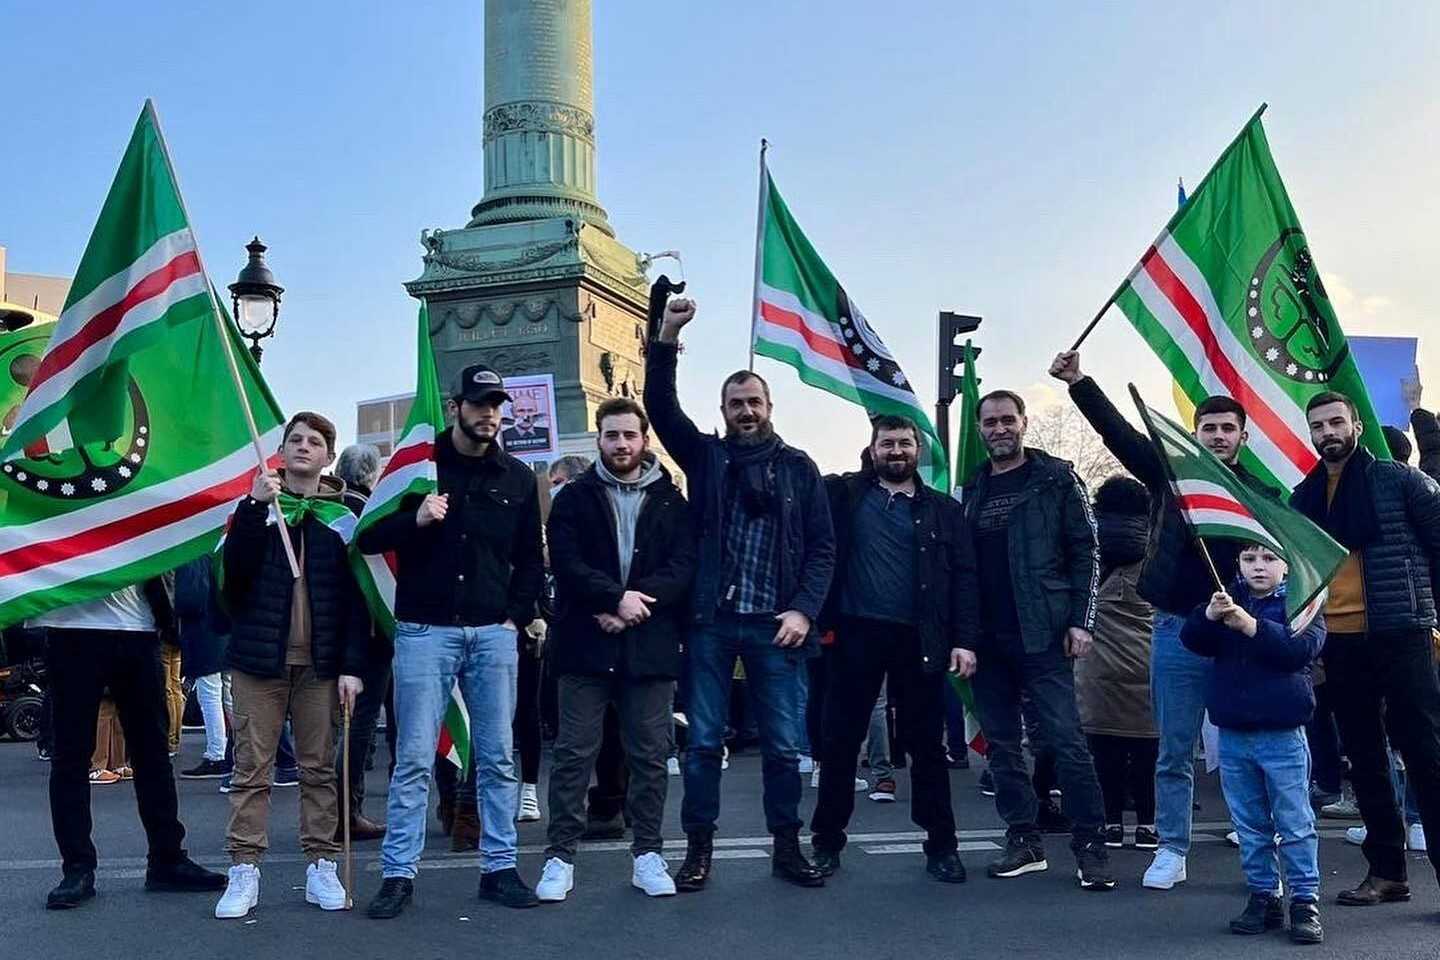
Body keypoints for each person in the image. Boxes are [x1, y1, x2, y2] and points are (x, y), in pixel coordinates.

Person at [1050, 349, 1274, 890]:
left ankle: (1260, 843)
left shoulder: (1262, 495)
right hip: (1177, 627)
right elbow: (1120, 436)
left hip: (1242, 634)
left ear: (1243, 436)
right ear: (1196, 434)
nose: (1218, 436)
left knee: (1254, 745)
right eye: (1209, 428)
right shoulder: (1170, 477)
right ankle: (1172, 846)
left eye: (1227, 428)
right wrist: (1081, 382)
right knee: (1173, 749)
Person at [645, 294, 835, 891]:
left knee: (782, 748)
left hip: (776, 626)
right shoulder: (705, 457)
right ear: (722, 410)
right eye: (735, 403)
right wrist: (667, 338)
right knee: (702, 745)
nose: (745, 411)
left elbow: (823, 549)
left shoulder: (800, 468)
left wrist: (804, 609)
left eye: (754, 401)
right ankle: (699, 849)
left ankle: (787, 847)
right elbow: (659, 406)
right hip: (710, 622)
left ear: (770, 406)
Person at [359, 364, 545, 918]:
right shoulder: (419, 469)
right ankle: (397, 875)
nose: (490, 414)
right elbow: (367, 535)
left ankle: (500, 867)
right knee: (414, 757)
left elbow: (531, 559)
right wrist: (414, 518)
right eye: (480, 404)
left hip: (491, 633)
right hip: (425, 631)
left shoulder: (517, 477)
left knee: (496, 758)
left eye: (497, 405)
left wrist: (514, 617)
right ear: (456, 406)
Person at [535, 398, 697, 902]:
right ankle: (560, 857)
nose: (621, 444)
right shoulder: (574, 498)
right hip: (586, 640)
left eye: (629, 435)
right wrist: (611, 599)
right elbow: (566, 561)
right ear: (600, 439)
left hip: (648, 645)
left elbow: (683, 566)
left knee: (650, 756)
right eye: (612, 435)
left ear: (644, 440)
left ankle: (648, 853)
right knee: (572, 755)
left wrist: (634, 604)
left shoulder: (673, 501)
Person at [213, 412, 370, 919]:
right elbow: (231, 582)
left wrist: (353, 665)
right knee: (251, 769)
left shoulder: (344, 518)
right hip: (259, 662)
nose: (304, 446)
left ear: (328, 455)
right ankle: (244, 867)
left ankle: (321, 864)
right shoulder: (254, 508)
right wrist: (256, 510)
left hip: (321, 666)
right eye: (294, 439)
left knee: (319, 769)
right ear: (281, 451)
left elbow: (357, 600)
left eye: (315, 441)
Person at [957, 389, 1114, 891]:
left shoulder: (1057, 478)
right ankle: (1023, 839)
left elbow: (1086, 550)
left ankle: (1091, 846)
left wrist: (1081, 620)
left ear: (1024, 423)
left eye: (1008, 419)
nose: (999, 428)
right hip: (986, 642)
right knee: (1001, 748)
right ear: (981, 429)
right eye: (991, 422)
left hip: (1044, 634)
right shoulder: (973, 488)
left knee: (1067, 743)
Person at [808, 415, 976, 883]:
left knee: (926, 748)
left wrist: (964, 640)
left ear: (918, 451)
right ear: (873, 448)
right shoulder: (842, 496)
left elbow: (964, 578)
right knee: (839, 746)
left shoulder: (944, 510)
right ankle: (826, 844)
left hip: (920, 639)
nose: (896, 451)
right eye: (888, 443)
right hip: (853, 635)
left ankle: (942, 846)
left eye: (905, 443)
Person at [1290, 391, 1440, 907]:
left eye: (1336, 421)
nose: (1328, 432)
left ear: (1357, 423)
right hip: (1339, 641)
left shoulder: (1401, 481)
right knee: (1366, 760)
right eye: (1318, 426)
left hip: (1402, 633)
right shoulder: (1304, 496)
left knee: (1427, 757)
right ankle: (1387, 874)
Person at [35, 581, 225, 909]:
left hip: (137, 626)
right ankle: (77, 866)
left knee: (152, 753)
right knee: (71, 756)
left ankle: (166, 857)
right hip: (71, 627)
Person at [1181, 545, 1326, 944]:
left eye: (1268, 559)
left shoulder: (1304, 601)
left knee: (1295, 823)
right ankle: (1264, 894)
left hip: (1282, 732)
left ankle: (1304, 899)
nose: (1258, 567)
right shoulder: (1227, 598)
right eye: (1249, 560)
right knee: (1249, 824)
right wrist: (1207, 617)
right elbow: (1193, 640)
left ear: (1286, 565)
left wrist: (1252, 627)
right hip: (1233, 732)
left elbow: (1299, 650)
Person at [1074, 476, 1159, 850]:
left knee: (1104, 753)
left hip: (1098, 667)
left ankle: (1110, 823)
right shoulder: (1157, 550)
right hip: (1147, 667)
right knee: (1147, 756)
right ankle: (1147, 824)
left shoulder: (1090, 548)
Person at [332, 443, 391, 842]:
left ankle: (338, 810)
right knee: (359, 726)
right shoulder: (366, 516)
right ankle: (344, 811)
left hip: (334, 632)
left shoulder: (332, 510)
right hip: (367, 634)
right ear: (372, 476)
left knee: (341, 727)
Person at [175, 556, 230, 780]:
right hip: (226, 630)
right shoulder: (219, 551)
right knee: (230, 696)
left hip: (204, 632)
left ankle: (217, 754)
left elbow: (190, 599)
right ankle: (237, 750)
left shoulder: (193, 555)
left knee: (210, 695)